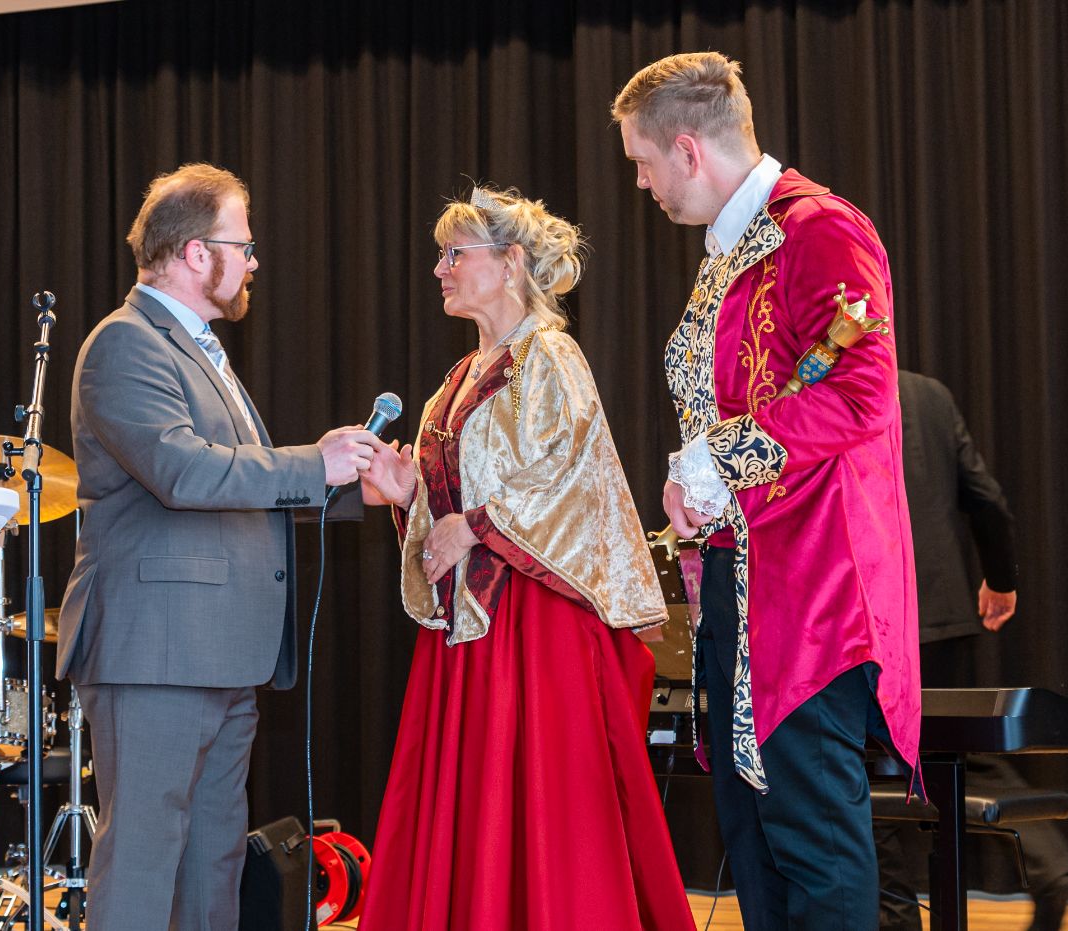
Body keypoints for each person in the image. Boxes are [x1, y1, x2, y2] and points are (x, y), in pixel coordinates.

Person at [612, 52, 921, 929]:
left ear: (687, 149)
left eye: (642, 162)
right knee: (754, 838)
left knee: (812, 837)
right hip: (738, 581)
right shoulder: (729, 248)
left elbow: (860, 393)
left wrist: (719, 459)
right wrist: (695, 470)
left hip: (810, 588)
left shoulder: (818, 229)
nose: (641, 183)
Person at [54, 162, 386, 931]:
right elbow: (182, 471)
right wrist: (314, 463)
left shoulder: (198, 347)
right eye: (244, 244)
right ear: (196, 252)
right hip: (157, 654)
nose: (254, 262)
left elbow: (235, 489)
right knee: (143, 864)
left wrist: (353, 490)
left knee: (214, 867)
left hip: (219, 655)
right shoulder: (125, 343)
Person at [356, 185, 697, 931]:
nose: (440, 269)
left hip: (536, 627)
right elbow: (457, 499)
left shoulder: (550, 354)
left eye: (455, 254)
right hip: (475, 627)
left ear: (510, 263)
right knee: (474, 799)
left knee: (545, 804)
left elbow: (573, 478)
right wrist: (407, 491)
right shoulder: (461, 375)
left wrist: (475, 526)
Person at [876, 370, 1068, 931]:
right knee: (965, 756)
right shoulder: (931, 395)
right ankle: (1052, 869)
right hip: (944, 618)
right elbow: (985, 497)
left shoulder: (833, 391)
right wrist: (1001, 578)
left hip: (877, 618)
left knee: (871, 766)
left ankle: (895, 919)